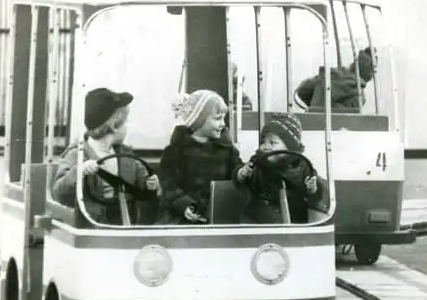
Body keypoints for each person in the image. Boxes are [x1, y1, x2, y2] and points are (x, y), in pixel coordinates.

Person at [52, 87, 161, 225]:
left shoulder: (126, 154)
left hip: (125, 224)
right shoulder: (77, 154)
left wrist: (150, 184)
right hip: (92, 227)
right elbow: (59, 194)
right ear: (114, 125)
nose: (128, 126)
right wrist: (79, 172)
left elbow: (141, 183)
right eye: (125, 121)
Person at [158, 89, 251, 224]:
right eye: (217, 119)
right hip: (184, 216)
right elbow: (169, 184)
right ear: (199, 120)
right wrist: (184, 205)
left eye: (223, 118)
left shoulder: (227, 150)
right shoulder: (176, 151)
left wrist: (240, 173)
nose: (223, 124)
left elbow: (235, 170)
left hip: (219, 214)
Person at [235, 113, 329, 224]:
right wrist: (241, 174)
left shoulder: (302, 166)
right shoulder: (258, 162)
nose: (266, 146)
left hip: (295, 220)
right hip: (260, 219)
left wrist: (312, 189)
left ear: (290, 147)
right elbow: (244, 180)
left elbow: (316, 193)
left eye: (272, 143)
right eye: (263, 141)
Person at [296, 47, 376, 111]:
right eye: (373, 71)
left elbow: (302, 90)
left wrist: (315, 106)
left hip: (312, 121)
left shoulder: (330, 75)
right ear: (367, 73)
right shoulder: (359, 95)